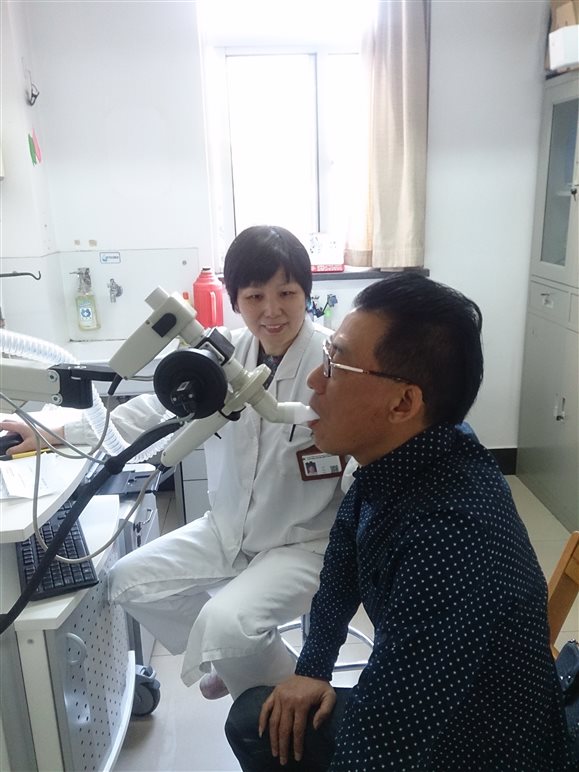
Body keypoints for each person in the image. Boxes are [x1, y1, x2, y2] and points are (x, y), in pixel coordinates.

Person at [225, 272, 575, 771]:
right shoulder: (405, 456)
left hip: (479, 749)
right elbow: (342, 566)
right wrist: (313, 667)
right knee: (254, 718)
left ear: (404, 403)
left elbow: (384, 746)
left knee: (261, 727)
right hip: (436, 713)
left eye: (336, 364)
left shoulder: (449, 544)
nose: (315, 379)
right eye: (327, 356)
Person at [0, 225, 344, 701]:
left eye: (286, 293)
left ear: (306, 293)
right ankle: (230, 658)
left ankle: (285, 710)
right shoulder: (223, 354)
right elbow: (148, 413)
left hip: (302, 543)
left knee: (227, 622)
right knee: (127, 582)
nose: (271, 310)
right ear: (235, 300)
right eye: (254, 296)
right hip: (227, 529)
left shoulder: (332, 366)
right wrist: (50, 433)